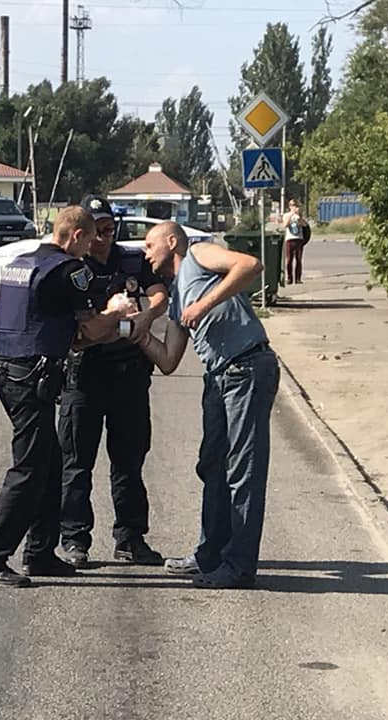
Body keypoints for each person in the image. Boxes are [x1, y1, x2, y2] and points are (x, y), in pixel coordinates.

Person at [0, 206, 127, 588]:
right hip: (32, 377)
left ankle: (40, 552)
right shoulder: (68, 270)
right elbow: (87, 330)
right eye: (89, 239)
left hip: (11, 371)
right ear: (75, 235)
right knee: (27, 470)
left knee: (51, 463)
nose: (92, 247)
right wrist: (118, 315)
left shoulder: (22, 263)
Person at [136, 221, 279, 589]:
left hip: (246, 366)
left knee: (242, 470)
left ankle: (239, 566)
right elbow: (168, 360)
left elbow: (249, 265)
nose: (144, 250)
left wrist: (204, 303)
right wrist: (135, 331)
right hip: (218, 377)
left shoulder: (199, 255)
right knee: (212, 466)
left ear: (172, 242)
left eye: (150, 243)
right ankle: (209, 556)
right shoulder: (175, 294)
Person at [57, 196, 169, 569]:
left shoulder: (132, 259)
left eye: (108, 229)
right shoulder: (72, 265)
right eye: (96, 230)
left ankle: (131, 539)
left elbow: (159, 292)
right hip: (85, 376)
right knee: (76, 464)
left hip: (129, 377)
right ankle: (74, 540)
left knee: (129, 463)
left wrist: (146, 315)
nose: (102, 238)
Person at [282, 199, 310, 284]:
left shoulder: (299, 216)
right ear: (290, 206)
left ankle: (298, 278)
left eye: (296, 205)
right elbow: (285, 225)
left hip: (299, 239)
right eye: (293, 205)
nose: (294, 207)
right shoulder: (286, 215)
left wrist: (299, 217)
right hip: (290, 239)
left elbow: (305, 225)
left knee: (298, 259)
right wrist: (291, 215)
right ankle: (289, 278)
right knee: (289, 260)